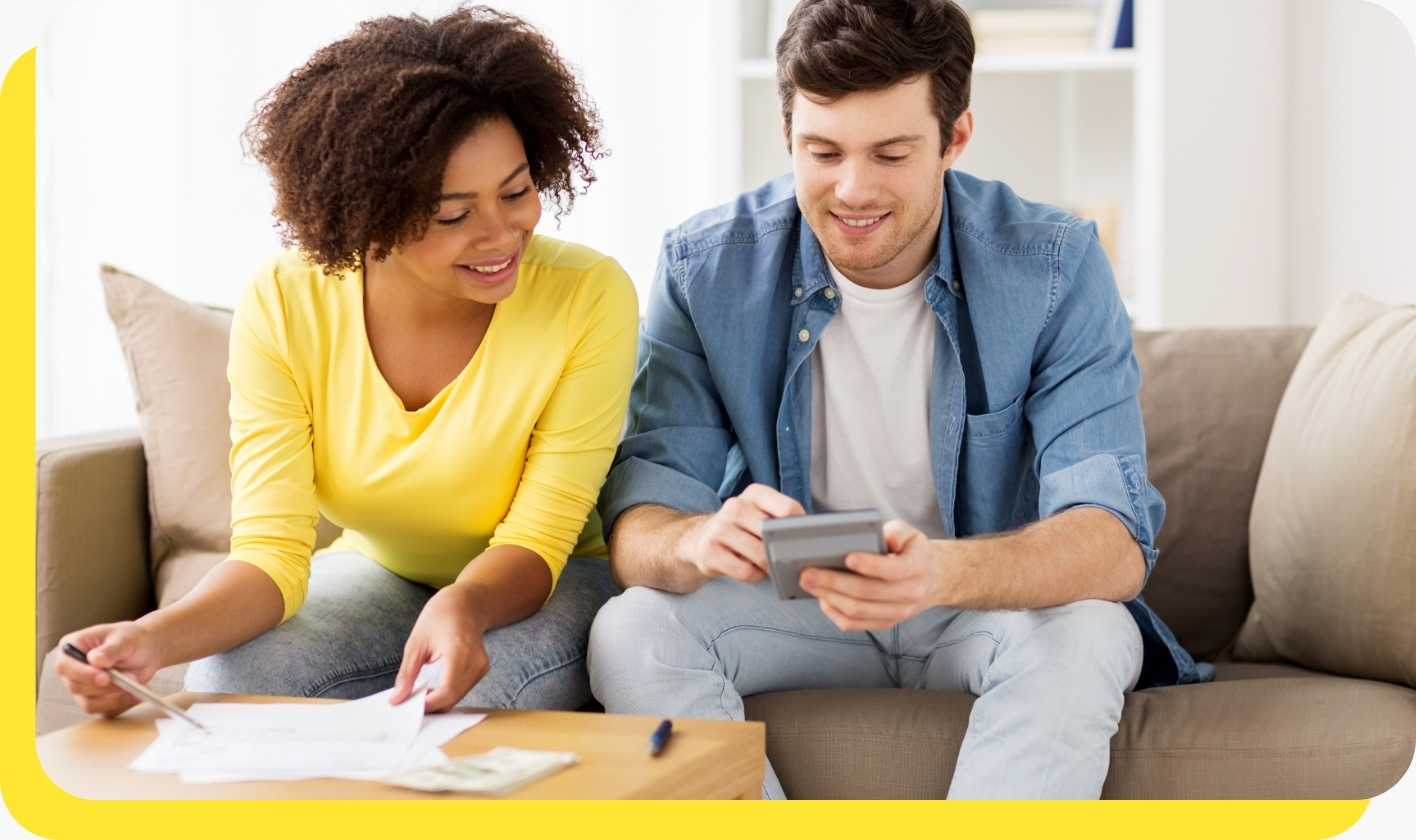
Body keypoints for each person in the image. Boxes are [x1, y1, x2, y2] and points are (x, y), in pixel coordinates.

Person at [587, 0, 1210, 800]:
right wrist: (698, 539)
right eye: (823, 151)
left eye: (890, 152)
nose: (852, 189)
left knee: (1090, 628)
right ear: (786, 135)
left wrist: (938, 574)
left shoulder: (1054, 265)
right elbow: (640, 529)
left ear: (955, 139)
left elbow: (1114, 543)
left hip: (977, 603)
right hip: (800, 609)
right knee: (631, 627)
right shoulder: (703, 270)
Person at [56, 7, 637, 716]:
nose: (501, 233)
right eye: (455, 214)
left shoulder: (587, 295)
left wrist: (465, 603)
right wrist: (151, 640)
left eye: (516, 192)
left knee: (459, 705)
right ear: (371, 214)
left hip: (555, 581)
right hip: (380, 574)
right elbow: (271, 551)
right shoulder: (285, 299)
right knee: (226, 683)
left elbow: (539, 538)